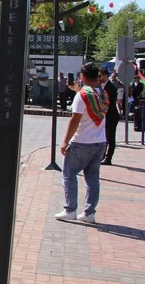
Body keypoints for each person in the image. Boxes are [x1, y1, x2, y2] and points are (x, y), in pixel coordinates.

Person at [55, 62, 108, 224]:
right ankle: (89, 213)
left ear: (83, 76)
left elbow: (75, 120)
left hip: (81, 142)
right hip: (100, 141)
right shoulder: (103, 94)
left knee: (69, 174)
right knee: (92, 178)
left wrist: (65, 141)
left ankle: (70, 209)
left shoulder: (82, 95)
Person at [99, 68, 120, 166]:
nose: (99, 78)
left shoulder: (109, 87)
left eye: (101, 76)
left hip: (111, 115)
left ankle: (108, 158)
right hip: (108, 115)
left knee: (110, 137)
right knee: (106, 137)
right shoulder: (105, 86)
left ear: (105, 75)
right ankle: (103, 156)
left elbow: (108, 103)